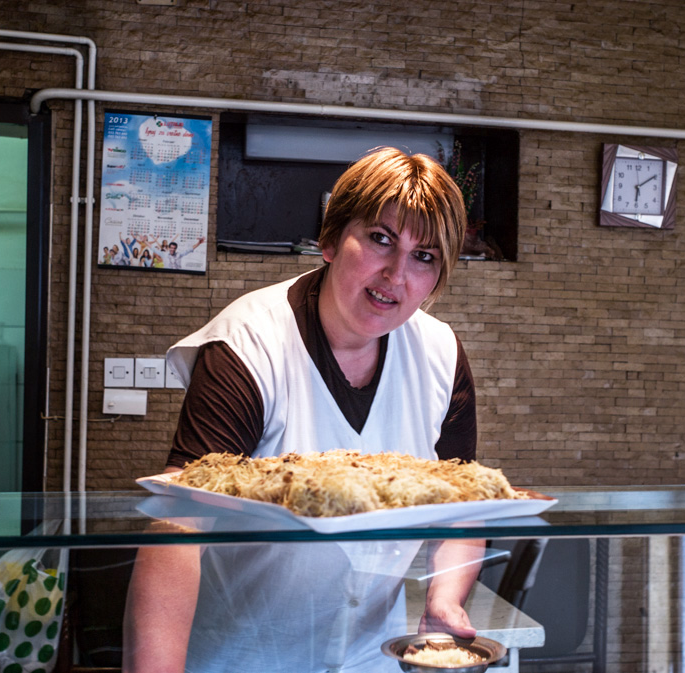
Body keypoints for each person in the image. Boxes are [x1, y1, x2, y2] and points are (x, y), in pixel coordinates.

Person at [123, 147, 482, 673]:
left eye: (423, 256)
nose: (395, 275)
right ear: (331, 240)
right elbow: (180, 522)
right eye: (380, 239)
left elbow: (464, 504)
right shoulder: (249, 345)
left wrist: (443, 596)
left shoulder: (440, 354)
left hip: (369, 657)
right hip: (240, 658)